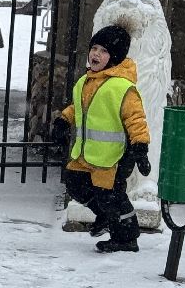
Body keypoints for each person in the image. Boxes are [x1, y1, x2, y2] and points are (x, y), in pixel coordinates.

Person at [54, 24, 150, 253]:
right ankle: (107, 218)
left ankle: (126, 237)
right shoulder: (86, 81)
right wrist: (63, 120)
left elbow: (136, 119)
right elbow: (80, 108)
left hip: (114, 156)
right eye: (94, 48)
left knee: (111, 196)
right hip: (88, 153)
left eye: (103, 51)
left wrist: (141, 148)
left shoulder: (122, 87)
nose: (96, 54)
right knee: (75, 182)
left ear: (114, 56)